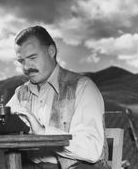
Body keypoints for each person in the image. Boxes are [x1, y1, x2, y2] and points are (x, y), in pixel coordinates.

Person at [7, 26, 109, 169]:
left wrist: (44, 133)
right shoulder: (20, 93)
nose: (26, 67)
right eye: (21, 61)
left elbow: (92, 150)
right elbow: (1, 126)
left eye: (32, 57)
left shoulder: (82, 87)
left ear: (51, 51)